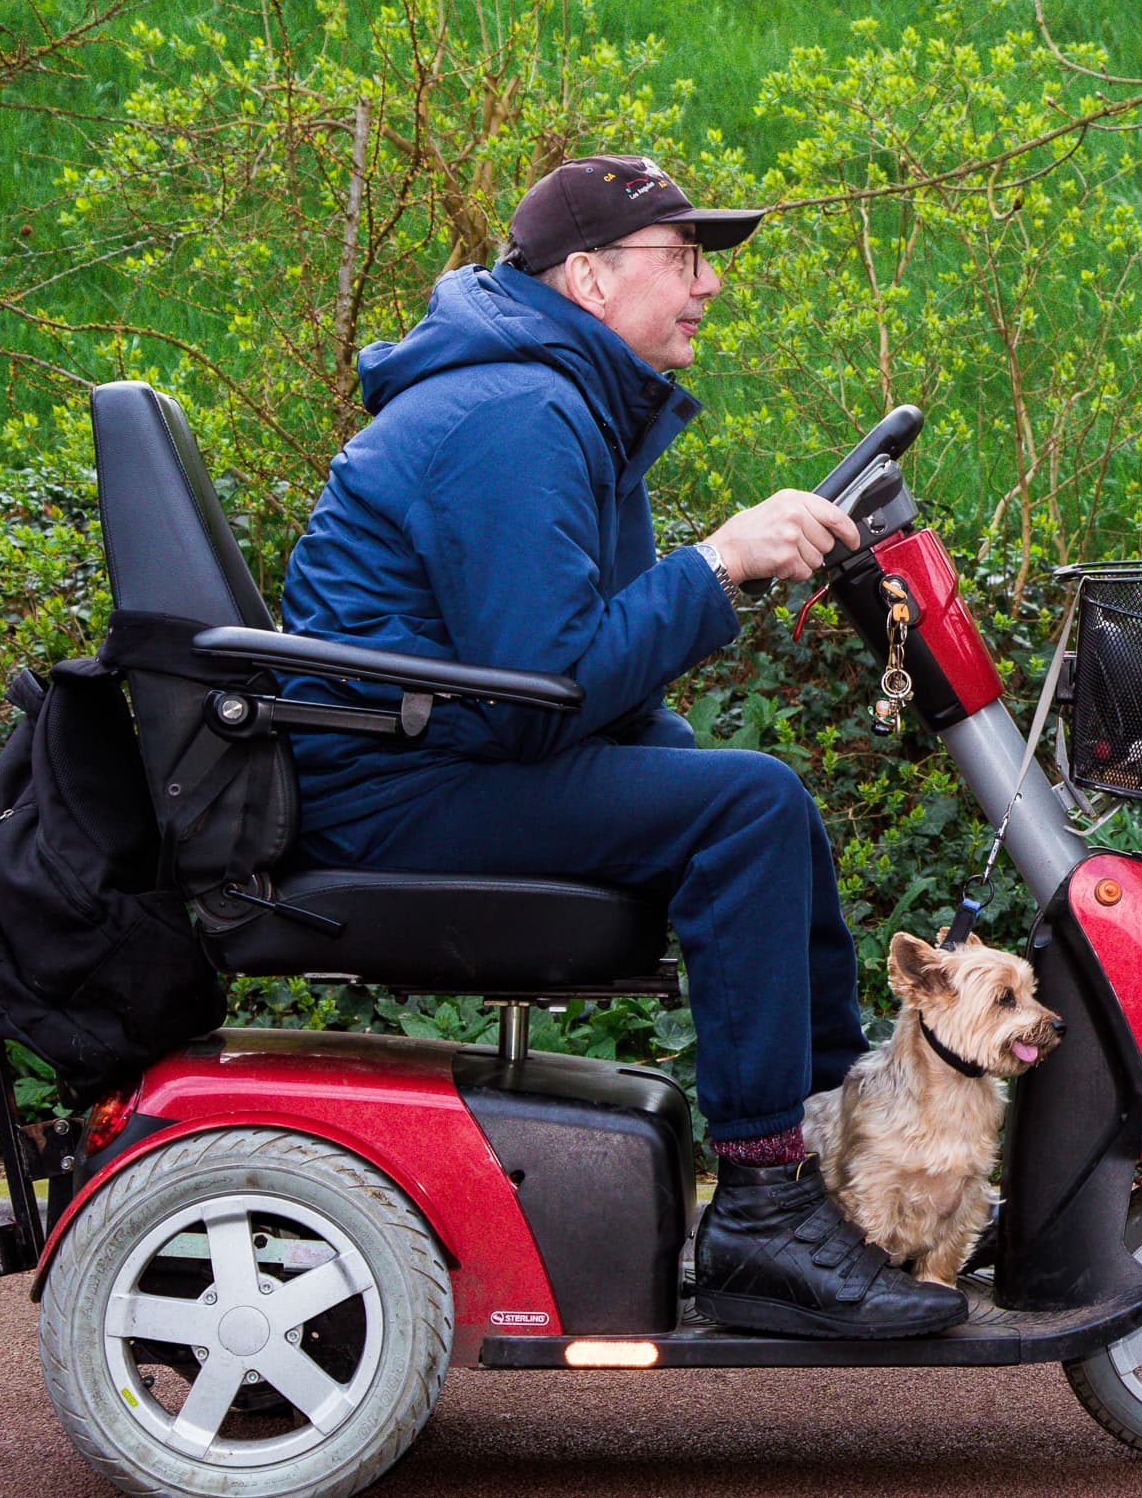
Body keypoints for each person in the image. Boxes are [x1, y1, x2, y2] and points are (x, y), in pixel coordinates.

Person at [277, 154, 968, 1342]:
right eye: (683, 258)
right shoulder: (516, 412)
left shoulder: (558, 397)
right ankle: (762, 1213)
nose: (707, 285)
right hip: (397, 788)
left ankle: (838, 1159)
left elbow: (562, 678)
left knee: (756, 798)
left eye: (707, 261)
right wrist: (717, 563)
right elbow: (540, 692)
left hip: (438, 755)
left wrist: (680, 735)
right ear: (591, 276)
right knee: (743, 807)